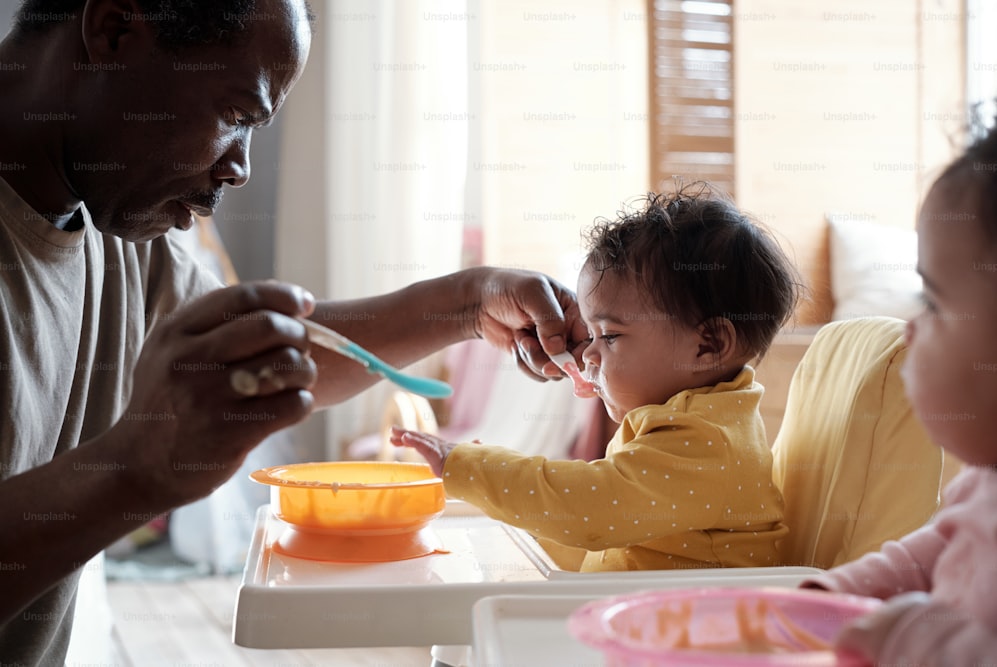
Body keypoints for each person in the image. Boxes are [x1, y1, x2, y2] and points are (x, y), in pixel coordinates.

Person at [0, 1, 587, 663]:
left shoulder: (123, 228)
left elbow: (283, 348)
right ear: (112, 31)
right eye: (235, 114)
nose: (239, 167)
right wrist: (135, 471)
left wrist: (466, 302)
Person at [392, 184, 801, 572]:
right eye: (590, 334)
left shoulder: (706, 444)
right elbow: (607, 538)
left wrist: (468, 467)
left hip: (703, 639)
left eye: (609, 335)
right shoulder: (696, 423)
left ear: (708, 344)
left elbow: (588, 511)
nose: (587, 352)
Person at [800, 114, 997, 665]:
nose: (910, 328)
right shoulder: (984, 484)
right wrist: (842, 591)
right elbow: (932, 553)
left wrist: (903, 637)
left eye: (932, 303)